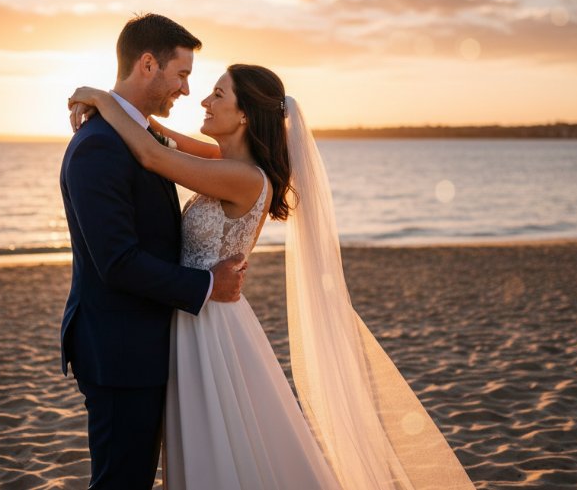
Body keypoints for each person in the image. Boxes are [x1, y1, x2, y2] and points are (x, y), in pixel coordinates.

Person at [68, 63, 476, 489]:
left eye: (218, 94)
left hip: (211, 323)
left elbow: (153, 155)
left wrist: (100, 98)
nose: (205, 101)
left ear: (245, 114)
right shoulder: (225, 162)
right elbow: (158, 136)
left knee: (220, 443)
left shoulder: (244, 178)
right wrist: (120, 107)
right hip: (198, 311)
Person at [58, 14, 248, 490]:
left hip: (150, 344)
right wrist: (208, 284)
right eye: (181, 74)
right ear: (148, 64)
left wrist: (101, 97)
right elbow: (117, 262)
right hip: (120, 350)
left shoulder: (139, 138)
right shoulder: (100, 146)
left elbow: (161, 154)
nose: (187, 90)